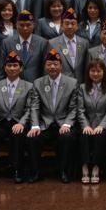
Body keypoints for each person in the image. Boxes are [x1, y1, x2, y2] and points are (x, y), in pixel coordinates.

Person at [0, 51, 36, 184]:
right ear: (4, 68)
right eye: (9, 66)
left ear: (21, 68)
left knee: (18, 134)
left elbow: (30, 109)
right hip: (1, 122)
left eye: (15, 65)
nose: (12, 68)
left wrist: (22, 123)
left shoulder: (29, 86)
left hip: (18, 122)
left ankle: (17, 170)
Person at [28, 48, 79, 183]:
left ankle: (63, 172)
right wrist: (35, 125)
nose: (52, 67)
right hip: (45, 123)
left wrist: (67, 124)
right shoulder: (38, 83)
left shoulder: (72, 83)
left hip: (63, 122)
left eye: (55, 64)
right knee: (33, 138)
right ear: (45, 66)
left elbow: (74, 108)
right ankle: (36, 172)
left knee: (66, 137)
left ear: (61, 66)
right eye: (49, 64)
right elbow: (35, 107)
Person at [77, 58, 106, 185]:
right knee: (84, 135)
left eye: (99, 71)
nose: (95, 74)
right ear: (88, 72)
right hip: (87, 123)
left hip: (104, 124)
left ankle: (95, 167)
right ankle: (85, 166)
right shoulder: (82, 88)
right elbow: (80, 110)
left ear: (104, 72)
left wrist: (102, 126)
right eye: (92, 71)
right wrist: (86, 125)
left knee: (100, 136)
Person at [0, 10, 49, 82]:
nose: (25, 28)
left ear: (33, 25)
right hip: (13, 85)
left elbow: (46, 68)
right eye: (21, 25)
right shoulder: (6, 43)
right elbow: (0, 69)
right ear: (16, 25)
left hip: (35, 85)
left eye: (28, 25)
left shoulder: (42, 43)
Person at [48, 8, 88, 83]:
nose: (70, 26)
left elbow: (87, 66)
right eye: (67, 24)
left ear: (77, 26)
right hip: (61, 84)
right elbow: (48, 67)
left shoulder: (84, 43)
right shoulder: (52, 43)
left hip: (80, 83)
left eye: (73, 24)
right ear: (61, 26)